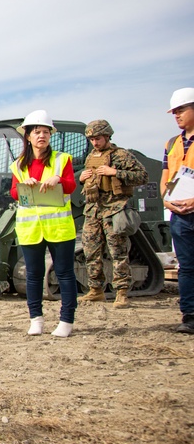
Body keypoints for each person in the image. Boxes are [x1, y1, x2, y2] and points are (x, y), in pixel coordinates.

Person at [9, 110, 78, 338]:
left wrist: (58, 179)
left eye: (46, 132)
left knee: (65, 273)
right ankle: (36, 320)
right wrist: (24, 186)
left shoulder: (62, 159)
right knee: (33, 275)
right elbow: (13, 192)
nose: (42, 136)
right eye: (37, 132)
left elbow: (70, 186)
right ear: (28, 136)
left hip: (59, 229)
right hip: (31, 229)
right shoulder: (18, 165)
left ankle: (66, 321)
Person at [78, 119, 148, 308]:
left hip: (114, 209)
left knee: (118, 251)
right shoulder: (91, 156)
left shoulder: (121, 155)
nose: (95, 142)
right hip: (93, 210)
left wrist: (115, 172)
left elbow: (142, 176)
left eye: (98, 138)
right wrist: (82, 178)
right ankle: (96, 290)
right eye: (91, 139)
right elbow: (90, 182)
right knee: (91, 251)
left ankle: (122, 292)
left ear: (107, 136)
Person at [162, 87, 194, 334]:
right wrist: (165, 199)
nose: (177, 116)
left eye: (181, 110)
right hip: (180, 214)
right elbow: (166, 177)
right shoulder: (172, 144)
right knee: (186, 266)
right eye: (174, 112)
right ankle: (189, 315)